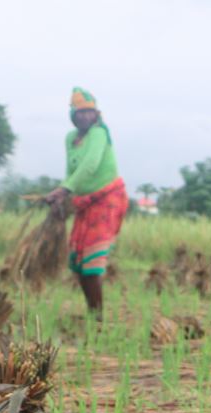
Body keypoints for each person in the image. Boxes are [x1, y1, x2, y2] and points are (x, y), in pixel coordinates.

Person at [44, 87, 126, 318]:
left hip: (106, 200)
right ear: (73, 116)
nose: (84, 117)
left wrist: (62, 190)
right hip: (84, 204)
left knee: (92, 263)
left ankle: (97, 317)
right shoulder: (71, 139)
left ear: (96, 115)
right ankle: (93, 313)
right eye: (80, 113)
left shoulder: (99, 134)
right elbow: (72, 170)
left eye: (89, 112)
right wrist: (64, 195)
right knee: (79, 263)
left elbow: (90, 165)